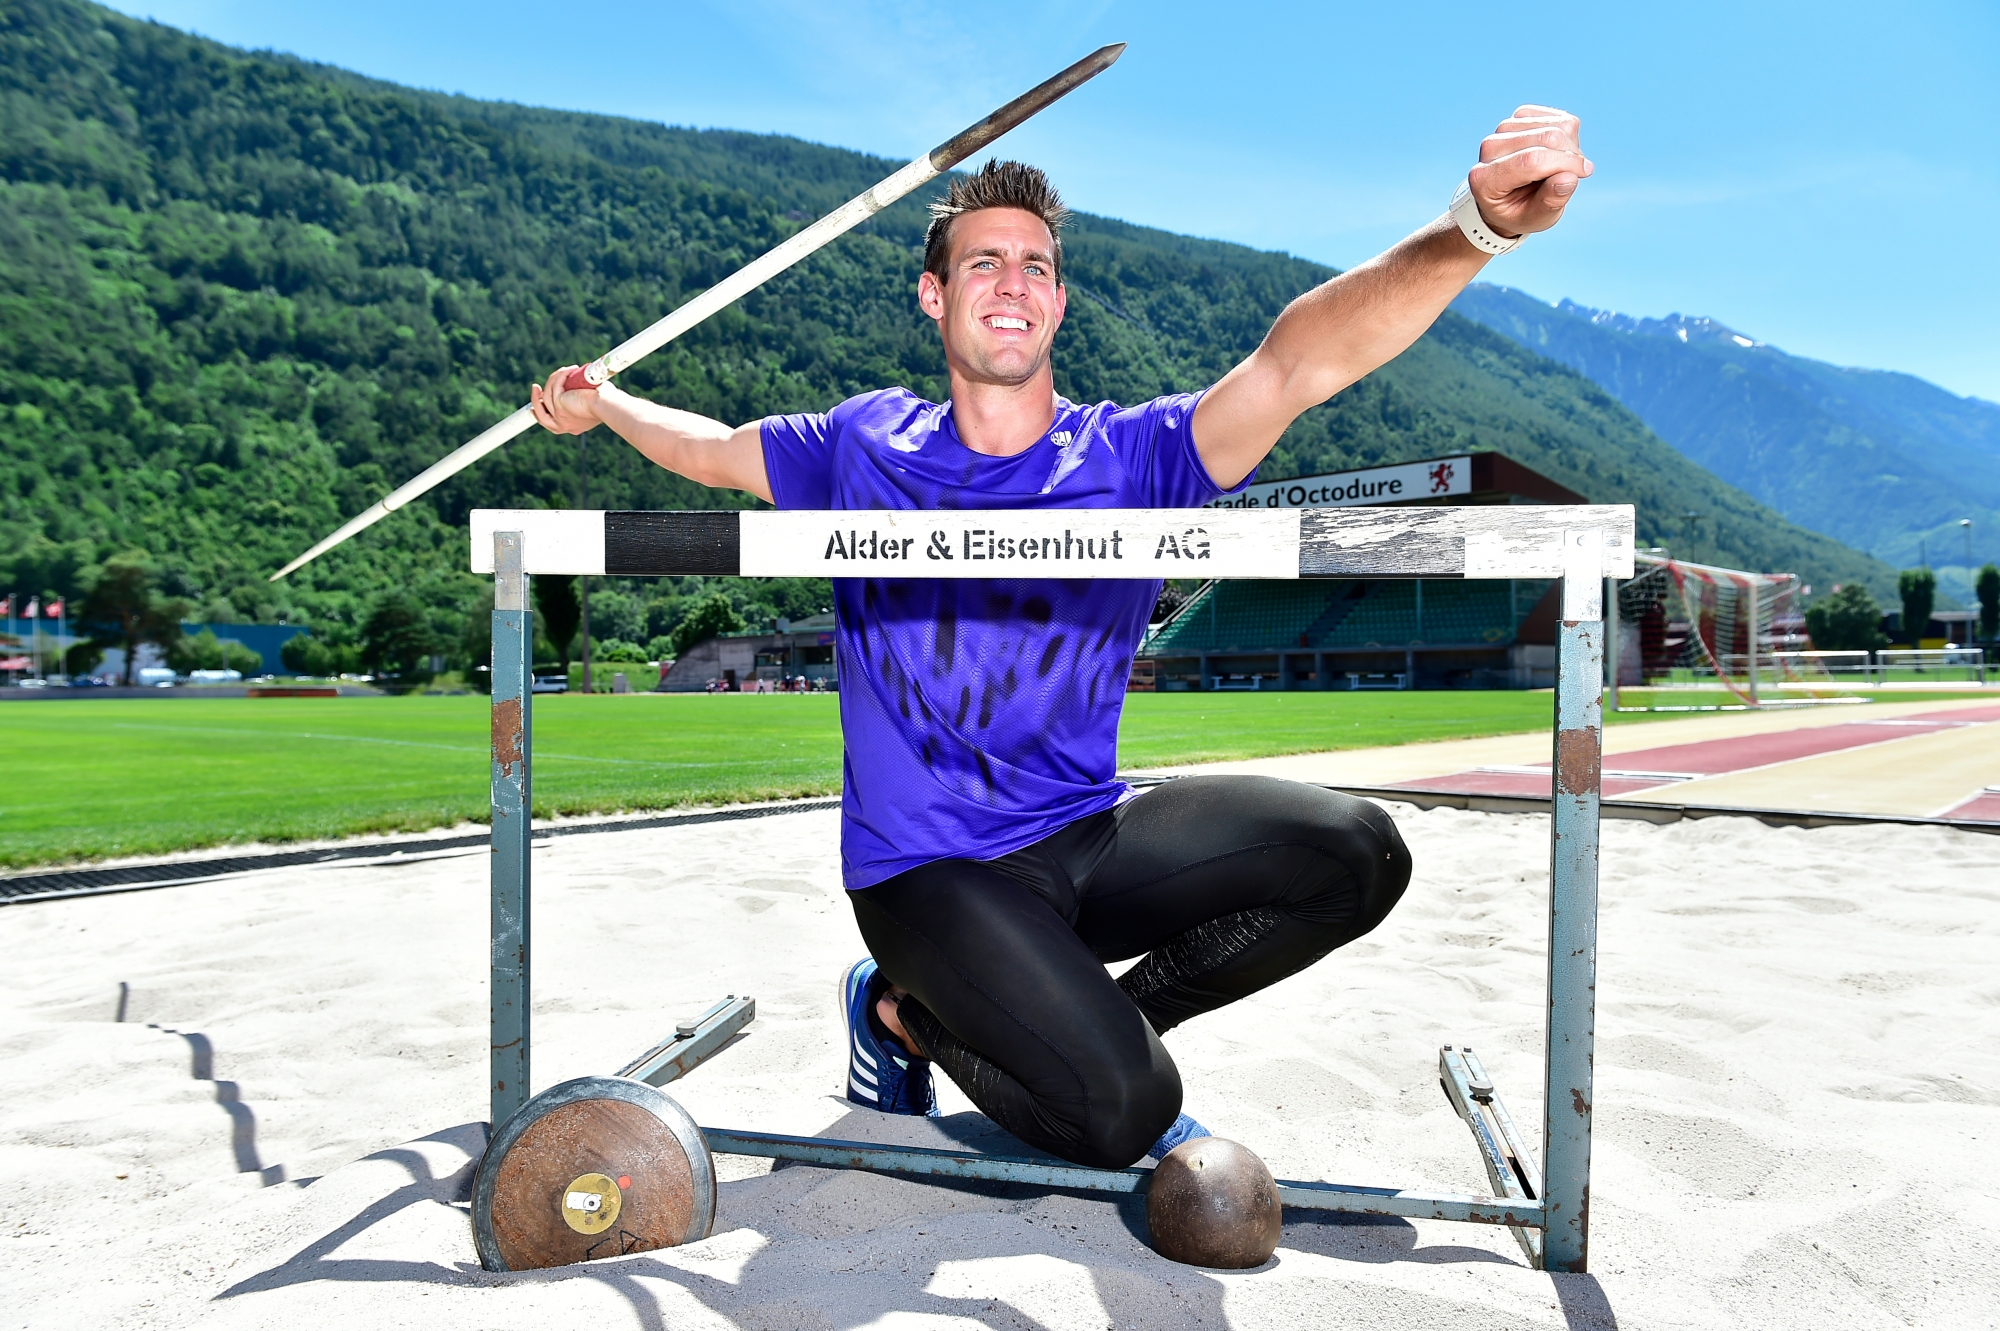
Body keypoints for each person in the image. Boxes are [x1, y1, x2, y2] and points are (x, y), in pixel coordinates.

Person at [530, 107, 1591, 1169]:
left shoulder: (1132, 456)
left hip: (1081, 835)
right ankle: (905, 1013)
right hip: (925, 871)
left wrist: (1473, 231)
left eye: (1035, 265)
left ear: (1058, 301)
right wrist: (604, 404)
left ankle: (1092, 1022)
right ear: (933, 296)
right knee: (1119, 1114)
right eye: (981, 261)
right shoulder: (863, 445)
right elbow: (714, 451)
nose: (1011, 280)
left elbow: (1294, 363)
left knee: (1357, 853)